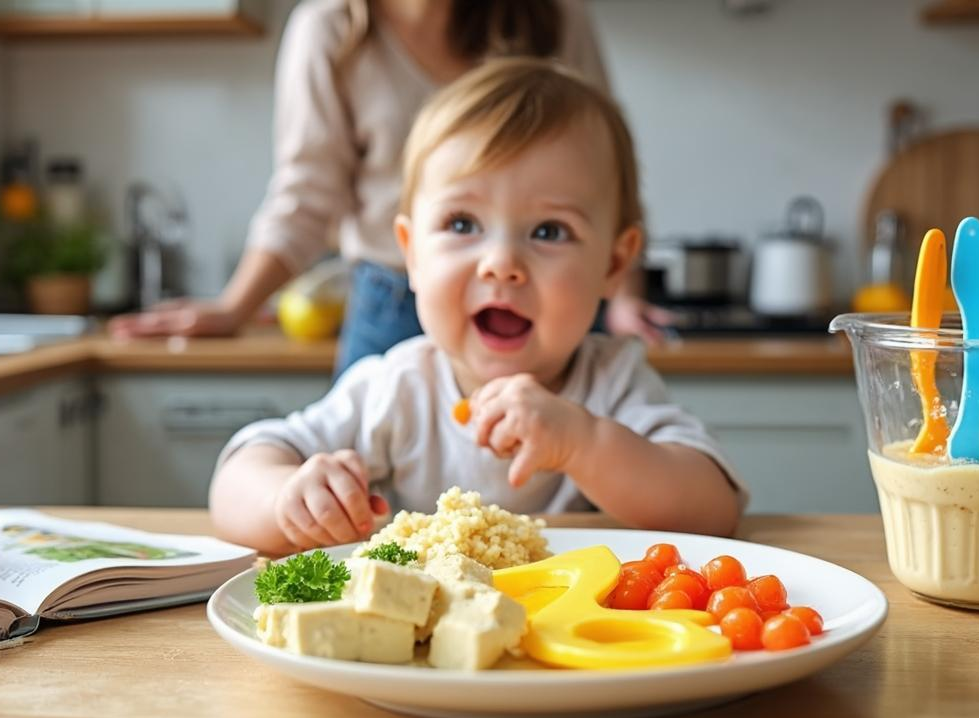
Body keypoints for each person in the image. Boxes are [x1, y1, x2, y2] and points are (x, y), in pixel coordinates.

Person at [210, 59, 745, 554]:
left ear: (613, 264)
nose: (502, 264)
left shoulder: (613, 384)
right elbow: (239, 473)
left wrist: (584, 443)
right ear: (412, 254)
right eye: (462, 224)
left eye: (549, 231)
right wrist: (288, 499)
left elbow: (713, 507)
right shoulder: (398, 388)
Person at [107, 0, 673, 376]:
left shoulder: (552, 17)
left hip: (550, 298)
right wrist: (234, 307)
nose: (496, 262)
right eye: (462, 222)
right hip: (391, 305)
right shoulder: (330, 29)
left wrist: (623, 296)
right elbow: (307, 194)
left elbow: (605, 170)